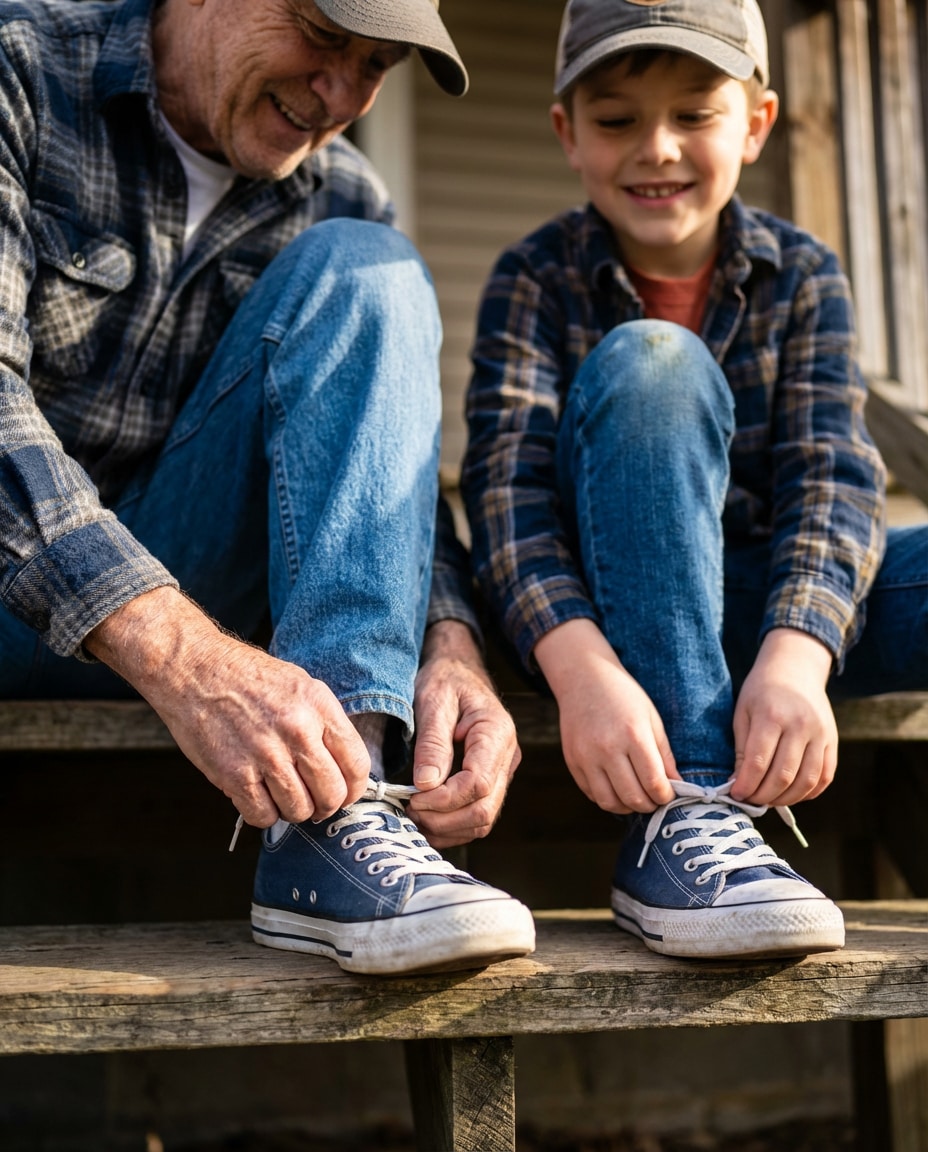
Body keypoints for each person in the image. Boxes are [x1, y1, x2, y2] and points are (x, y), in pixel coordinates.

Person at [0, 0, 536, 975]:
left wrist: (451, 650)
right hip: (19, 600)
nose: (340, 96)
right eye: (324, 38)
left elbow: (389, 470)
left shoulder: (343, 197)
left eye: (376, 64)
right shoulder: (22, 69)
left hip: (179, 586)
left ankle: (340, 813)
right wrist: (189, 660)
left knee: (370, 270)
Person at [462, 0, 928, 960]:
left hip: (770, 612)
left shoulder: (804, 275)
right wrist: (581, 669)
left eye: (694, 115)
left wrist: (798, 655)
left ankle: (748, 740)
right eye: (619, 119)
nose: (657, 149)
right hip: (600, 625)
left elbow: (832, 477)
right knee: (655, 362)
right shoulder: (533, 279)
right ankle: (692, 819)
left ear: (755, 124)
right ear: (568, 135)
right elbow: (506, 504)